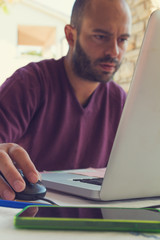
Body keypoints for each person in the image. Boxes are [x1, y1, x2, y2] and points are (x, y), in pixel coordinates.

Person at [0, 0, 132, 200]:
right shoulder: (28, 84)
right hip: (30, 215)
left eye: (122, 40)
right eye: (100, 36)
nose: (114, 51)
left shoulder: (120, 101)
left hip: (95, 218)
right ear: (70, 36)